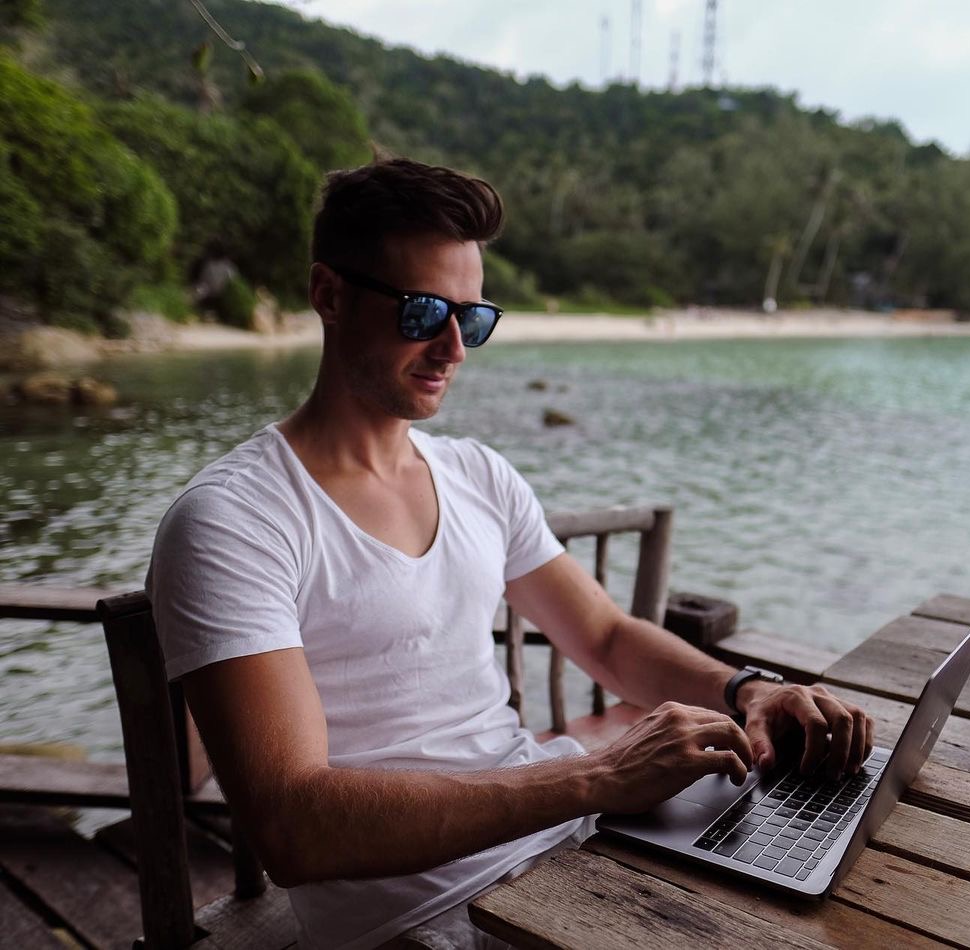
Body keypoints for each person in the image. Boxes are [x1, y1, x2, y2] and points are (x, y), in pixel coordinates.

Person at [147, 158, 874, 950]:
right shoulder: (236, 520)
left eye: (475, 317)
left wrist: (747, 691)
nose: (454, 347)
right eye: (424, 312)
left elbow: (603, 638)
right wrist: (598, 775)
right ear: (329, 295)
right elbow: (295, 827)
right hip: (429, 914)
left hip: (575, 839)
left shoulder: (476, 474)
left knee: (837, 884)